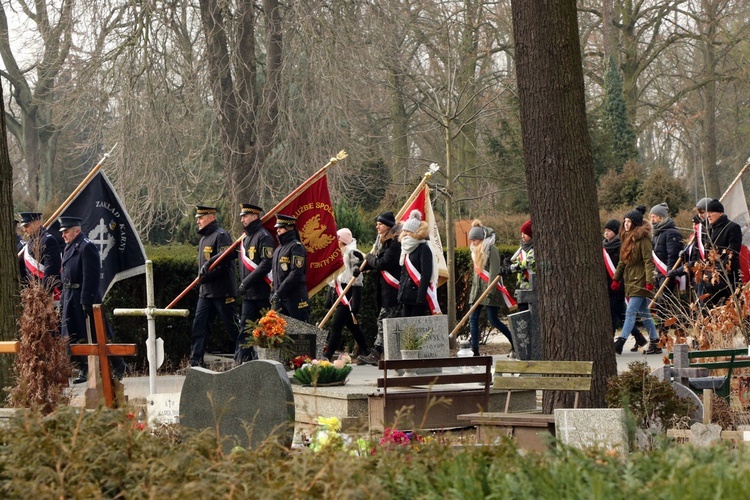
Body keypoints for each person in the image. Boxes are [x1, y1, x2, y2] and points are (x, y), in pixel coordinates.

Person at [59, 216, 126, 383]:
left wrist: (86, 301)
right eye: (63, 232)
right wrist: (62, 300)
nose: (63, 235)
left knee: (98, 336)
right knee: (70, 337)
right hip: (70, 297)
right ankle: (84, 369)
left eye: (66, 231)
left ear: (77, 230)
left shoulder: (86, 247)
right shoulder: (69, 247)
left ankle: (119, 365)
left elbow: (91, 276)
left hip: (84, 297)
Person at [190, 205, 240, 367]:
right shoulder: (204, 238)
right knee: (199, 326)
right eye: (197, 218)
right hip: (206, 293)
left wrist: (206, 277)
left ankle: (246, 356)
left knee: (232, 326)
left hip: (222, 292)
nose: (198, 221)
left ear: (211, 217)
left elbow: (225, 262)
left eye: (201, 218)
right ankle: (195, 361)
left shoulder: (222, 236)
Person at [611, 209, 661, 355]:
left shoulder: (643, 240)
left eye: (629, 221)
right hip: (630, 278)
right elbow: (622, 261)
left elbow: (648, 261)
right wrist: (616, 278)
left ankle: (621, 340)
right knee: (644, 313)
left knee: (631, 311)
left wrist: (649, 281)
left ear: (635, 224)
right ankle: (654, 342)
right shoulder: (626, 238)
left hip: (641, 279)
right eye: (625, 221)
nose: (626, 224)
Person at [358, 211, 401, 366]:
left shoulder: (396, 243)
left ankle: (377, 353)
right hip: (385, 289)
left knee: (383, 320)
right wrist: (360, 268)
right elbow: (377, 263)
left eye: (380, 223)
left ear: (388, 226)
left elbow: (383, 263)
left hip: (394, 290)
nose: (377, 226)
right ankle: (384, 353)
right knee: (385, 322)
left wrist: (368, 257)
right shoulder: (384, 242)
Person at [467, 220, 515, 357]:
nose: (473, 242)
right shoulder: (474, 250)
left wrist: (490, 293)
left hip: (490, 290)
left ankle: (515, 343)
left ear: (481, 238)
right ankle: (474, 350)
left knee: (493, 320)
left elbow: (494, 273)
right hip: (476, 291)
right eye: (472, 239)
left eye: (475, 239)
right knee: (473, 319)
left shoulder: (492, 250)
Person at [234, 203, 274, 364]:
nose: (242, 219)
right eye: (242, 216)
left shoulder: (264, 236)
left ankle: (272, 361)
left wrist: (246, 282)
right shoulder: (245, 238)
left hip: (263, 292)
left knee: (269, 329)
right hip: (249, 295)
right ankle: (241, 361)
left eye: (245, 216)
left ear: (255, 216)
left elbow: (266, 264)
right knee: (245, 329)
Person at [322, 228, 371, 360]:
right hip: (338, 292)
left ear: (342, 240)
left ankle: (328, 355)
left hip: (348, 295)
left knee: (336, 325)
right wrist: (329, 298)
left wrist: (355, 302)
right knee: (353, 327)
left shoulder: (352, 254)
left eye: (337, 238)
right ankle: (367, 352)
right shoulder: (336, 254)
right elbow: (334, 279)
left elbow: (357, 279)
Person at [603, 218, 648, 351]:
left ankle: (612, 341)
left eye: (609, 231)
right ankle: (639, 336)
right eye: (605, 231)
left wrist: (619, 281)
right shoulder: (604, 246)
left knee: (613, 313)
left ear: (616, 232)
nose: (606, 234)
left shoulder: (621, 246)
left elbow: (624, 266)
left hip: (619, 285)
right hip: (608, 285)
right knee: (621, 313)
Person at [701, 199, 742, 307]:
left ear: (720, 213)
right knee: (705, 309)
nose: (708, 215)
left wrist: (719, 270)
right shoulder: (709, 230)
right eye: (707, 212)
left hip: (728, 278)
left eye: (711, 212)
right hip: (711, 278)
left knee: (731, 310)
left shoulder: (732, 228)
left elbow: (733, 253)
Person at [398, 210, 438, 317]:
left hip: (417, 295)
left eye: (407, 231)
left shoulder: (424, 247)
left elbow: (426, 274)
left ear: (414, 232)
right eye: (404, 231)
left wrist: (421, 297)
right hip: (406, 295)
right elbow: (404, 273)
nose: (404, 234)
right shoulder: (405, 248)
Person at [271, 214, 310, 322]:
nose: (278, 230)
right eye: (277, 227)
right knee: (276, 333)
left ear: (290, 228)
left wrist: (279, 292)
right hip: (279, 297)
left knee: (302, 335)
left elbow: (296, 272)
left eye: (281, 227)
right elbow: (275, 273)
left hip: (295, 297)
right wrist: (273, 291)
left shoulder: (296, 247)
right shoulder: (278, 249)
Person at [18, 212, 62, 305]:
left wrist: (43, 295)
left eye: (27, 225)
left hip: (46, 296)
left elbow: (51, 272)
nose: (24, 229)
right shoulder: (30, 242)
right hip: (33, 294)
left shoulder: (48, 240)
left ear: (38, 223)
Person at [505, 220, 535, 294]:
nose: (522, 236)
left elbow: (527, 264)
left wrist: (510, 268)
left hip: (532, 288)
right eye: (522, 233)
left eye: (525, 233)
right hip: (521, 287)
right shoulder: (523, 248)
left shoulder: (535, 249)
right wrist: (508, 264)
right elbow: (519, 263)